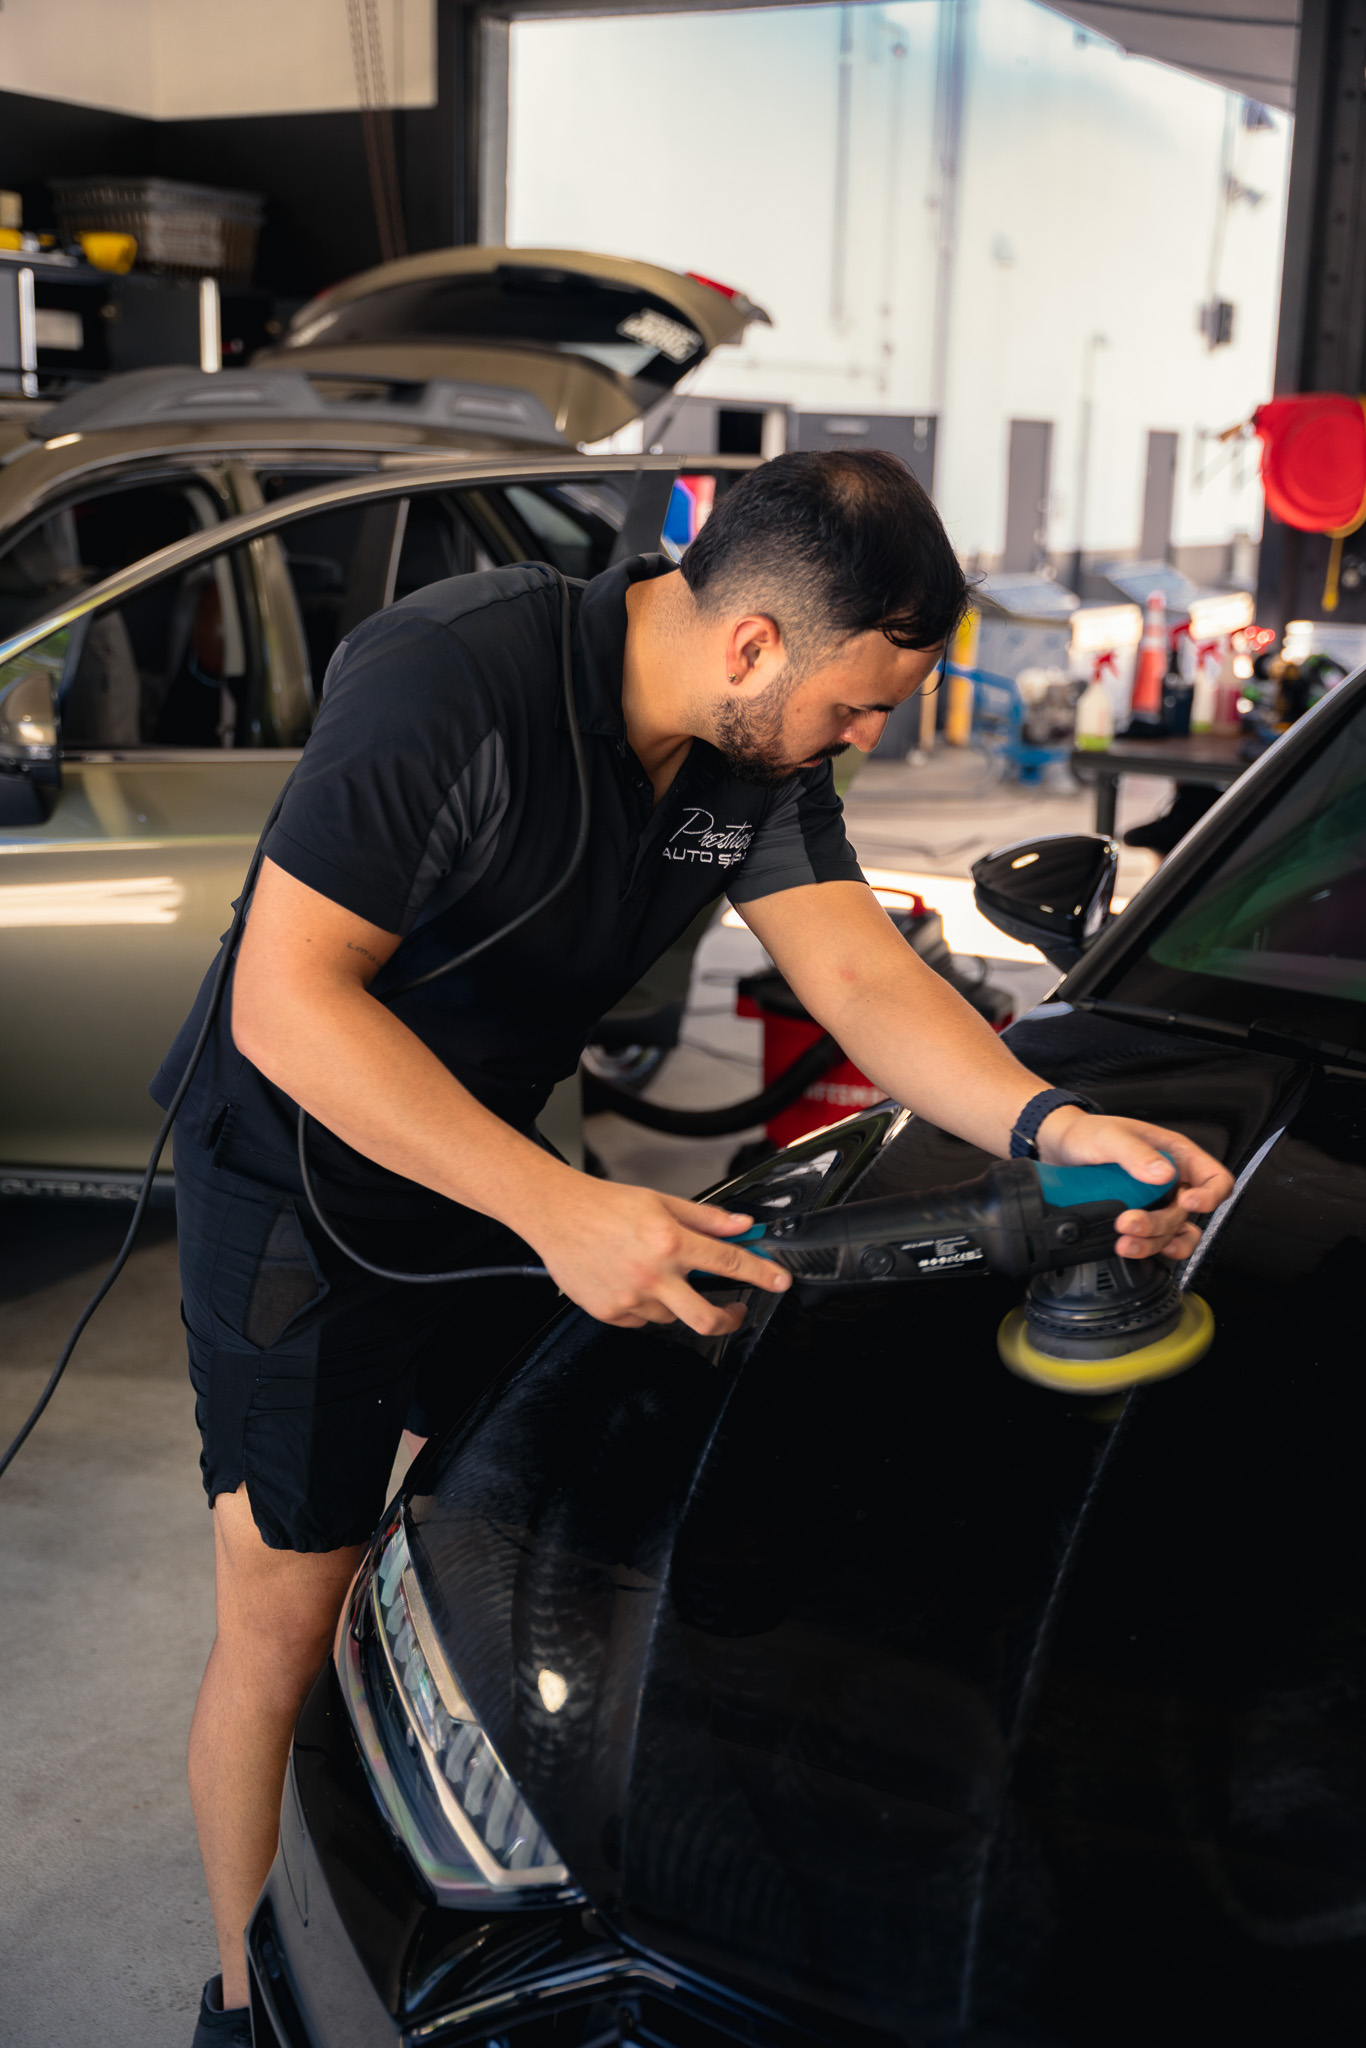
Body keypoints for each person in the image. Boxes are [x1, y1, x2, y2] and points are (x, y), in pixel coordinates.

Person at [157, 450, 1234, 2042]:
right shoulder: (452, 677)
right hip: (298, 1178)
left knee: (509, 1524)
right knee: (287, 1610)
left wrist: (1050, 1126)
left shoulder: (750, 756)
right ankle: (250, 2003)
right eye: (856, 709)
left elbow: (858, 976)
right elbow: (287, 1001)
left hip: (489, 1160)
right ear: (752, 645)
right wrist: (557, 1208)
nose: (862, 739)